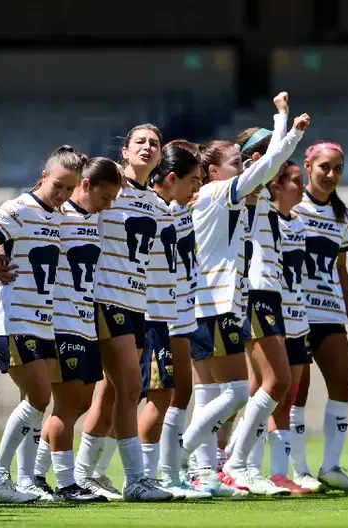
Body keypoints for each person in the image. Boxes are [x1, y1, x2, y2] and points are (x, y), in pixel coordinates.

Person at [180, 93, 307, 497]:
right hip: (237, 295)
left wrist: (285, 128)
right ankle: (218, 461)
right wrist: (286, 124)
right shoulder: (223, 194)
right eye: (238, 161)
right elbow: (268, 163)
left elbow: (269, 164)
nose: (247, 166)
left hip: (231, 297)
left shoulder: (243, 195)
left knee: (216, 391)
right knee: (259, 385)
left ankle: (211, 468)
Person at [0, 146, 84, 502]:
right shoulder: (20, 207)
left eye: (70, 188)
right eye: (58, 186)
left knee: (34, 402)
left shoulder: (58, 215)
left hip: (43, 322)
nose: (63, 194)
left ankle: (26, 480)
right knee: (40, 397)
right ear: (43, 176)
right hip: (13, 320)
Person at [78, 124, 173, 502]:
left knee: (111, 392)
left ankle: (85, 474)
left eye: (154, 144)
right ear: (125, 151)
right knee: (132, 387)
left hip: (137, 305)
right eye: (140, 142)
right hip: (106, 297)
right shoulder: (109, 186)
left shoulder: (157, 205)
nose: (148, 148)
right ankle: (136, 479)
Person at [33, 157, 122, 502]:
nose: (108, 205)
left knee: (82, 401)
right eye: (104, 196)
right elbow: (12, 232)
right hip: (61, 321)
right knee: (68, 403)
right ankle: (66, 483)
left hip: (85, 322)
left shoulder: (95, 219)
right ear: (86, 185)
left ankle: (37, 475)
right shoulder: (59, 214)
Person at [291, 140, 348, 492]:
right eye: (325, 166)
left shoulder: (343, 215)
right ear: (308, 165)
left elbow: (340, 266)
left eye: (338, 168)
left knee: (343, 386)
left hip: (328, 311)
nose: (331, 174)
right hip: (294, 310)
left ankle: (332, 467)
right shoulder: (293, 206)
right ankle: (299, 470)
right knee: (297, 392)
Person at [241, 161, 315, 494]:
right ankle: (243, 465)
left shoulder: (297, 223)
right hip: (269, 310)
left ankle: (280, 473)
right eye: (296, 181)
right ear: (276, 186)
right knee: (265, 388)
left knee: (286, 397)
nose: (303, 186)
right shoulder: (262, 214)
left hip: (296, 316)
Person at [145, 145, 208, 499]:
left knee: (178, 392)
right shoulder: (155, 207)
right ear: (172, 177)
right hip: (157, 314)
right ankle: (146, 476)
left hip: (180, 310)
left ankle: (168, 474)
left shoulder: (180, 208)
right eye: (194, 179)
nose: (198, 186)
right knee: (152, 397)